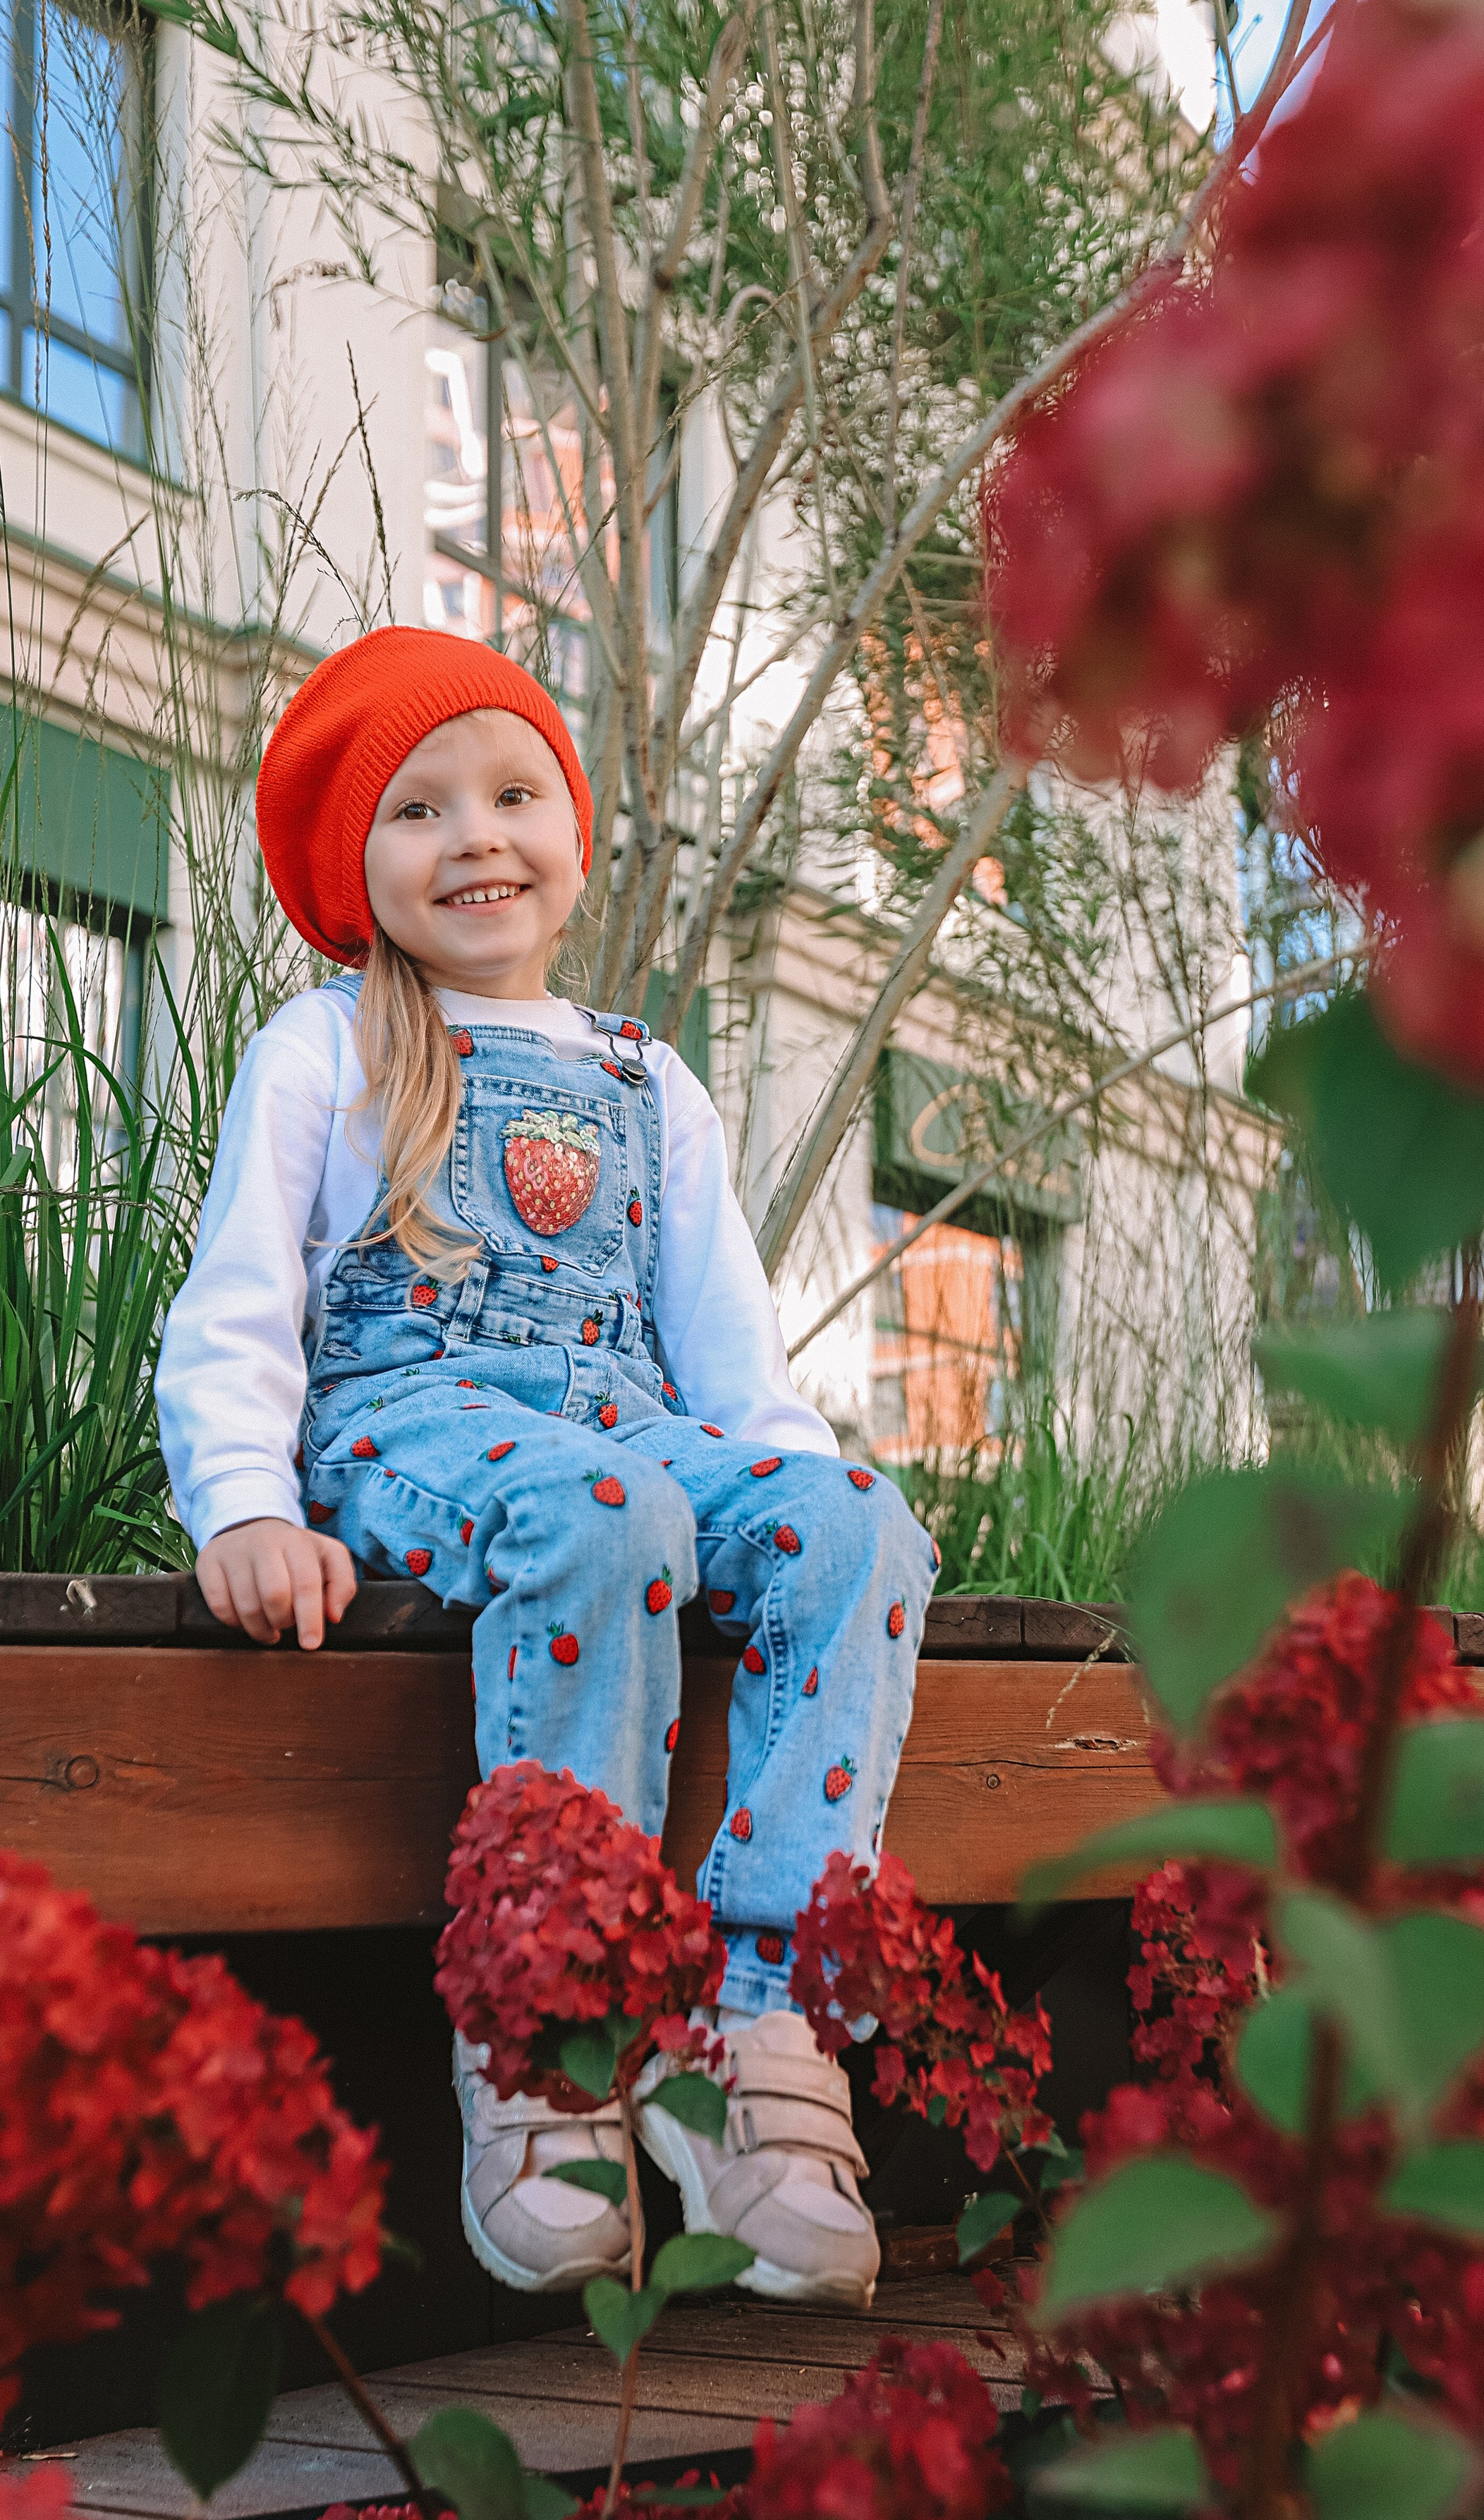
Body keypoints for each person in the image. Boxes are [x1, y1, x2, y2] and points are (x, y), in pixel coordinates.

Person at [156, 626, 936, 2309]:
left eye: (514, 793)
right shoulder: (326, 1045)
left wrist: (791, 1515)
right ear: (357, 868)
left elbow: (733, 1365)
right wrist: (243, 1504)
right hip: (409, 1420)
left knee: (855, 1517)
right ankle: (545, 2025)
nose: (478, 837)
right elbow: (241, 1301)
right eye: (420, 811)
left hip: (625, 1423)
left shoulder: (647, 1078)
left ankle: (754, 2012)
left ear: (575, 834)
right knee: (608, 1508)